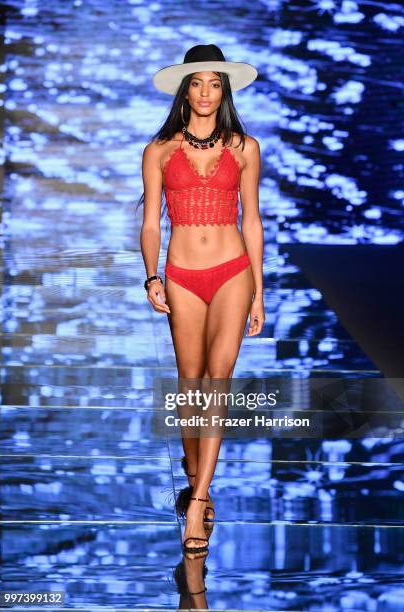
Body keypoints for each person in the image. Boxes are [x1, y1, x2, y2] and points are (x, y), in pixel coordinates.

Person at [139, 44, 265, 554]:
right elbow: (150, 222)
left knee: (217, 382)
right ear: (185, 89)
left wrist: (259, 290)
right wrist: (151, 276)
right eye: (198, 83)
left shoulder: (245, 148)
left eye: (215, 83)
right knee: (191, 385)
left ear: (225, 90)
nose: (207, 92)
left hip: (233, 271)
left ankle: (199, 500)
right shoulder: (160, 151)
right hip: (182, 275)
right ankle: (196, 474)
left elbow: (252, 221)